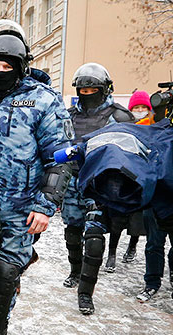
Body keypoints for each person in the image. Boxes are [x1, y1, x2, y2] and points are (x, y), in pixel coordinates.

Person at [0, 20, 73, 335]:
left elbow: (61, 158)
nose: (0, 72)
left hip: (22, 208)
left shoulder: (43, 102)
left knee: (7, 274)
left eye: (7, 66)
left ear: (21, 65)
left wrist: (45, 206)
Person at [61, 62, 134, 314]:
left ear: (105, 89)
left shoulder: (119, 116)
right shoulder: (68, 116)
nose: (88, 94)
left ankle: (85, 293)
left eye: (94, 90)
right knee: (72, 233)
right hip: (72, 183)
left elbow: (132, 153)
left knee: (94, 241)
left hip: (101, 186)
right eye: (84, 90)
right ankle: (74, 271)